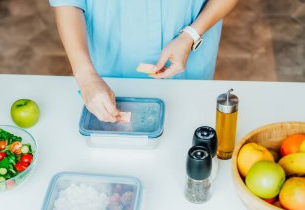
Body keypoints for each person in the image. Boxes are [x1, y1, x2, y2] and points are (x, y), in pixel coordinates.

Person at [49, 0, 238, 122]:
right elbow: (67, 3)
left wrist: (191, 35)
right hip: (110, 69)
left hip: (189, 63)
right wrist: (86, 76)